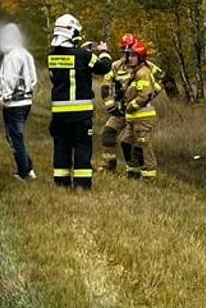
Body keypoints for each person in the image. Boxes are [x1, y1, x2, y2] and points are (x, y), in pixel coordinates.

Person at [46, 14, 112, 188]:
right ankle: (82, 184)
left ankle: (61, 182)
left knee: (61, 146)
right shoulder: (83, 55)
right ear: (72, 32)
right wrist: (104, 52)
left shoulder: (51, 55)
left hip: (59, 113)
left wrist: (82, 50)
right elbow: (104, 67)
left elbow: (70, 60)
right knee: (82, 146)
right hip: (80, 113)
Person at [0, 22, 38, 180]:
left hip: (13, 103)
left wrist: (4, 96)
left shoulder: (12, 56)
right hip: (26, 101)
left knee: (14, 137)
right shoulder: (25, 54)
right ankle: (28, 166)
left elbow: (9, 80)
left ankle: (24, 171)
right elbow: (33, 78)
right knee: (16, 135)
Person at [123, 38, 163, 180]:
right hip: (134, 118)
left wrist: (129, 107)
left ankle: (149, 177)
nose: (130, 58)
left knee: (144, 146)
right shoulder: (135, 72)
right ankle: (133, 172)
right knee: (126, 142)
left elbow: (144, 95)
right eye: (129, 55)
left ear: (140, 57)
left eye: (133, 55)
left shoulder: (143, 72)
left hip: (143, 117)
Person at [99, 34, 139, 172]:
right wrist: (110, 106)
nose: (128, 54)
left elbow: (162, 79)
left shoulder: (143, 65)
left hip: (137, 110)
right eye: (125, 50)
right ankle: (108, 166)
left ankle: (135, 170)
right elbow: (105, 86)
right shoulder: (116, 66)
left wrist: (149, 96)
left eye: (131, 50)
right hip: (120, 110)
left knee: (131, 141)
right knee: (108, 133)